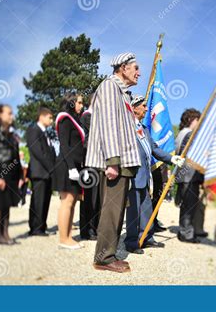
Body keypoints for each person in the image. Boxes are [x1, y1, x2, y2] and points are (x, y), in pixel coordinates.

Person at [85, 52, 142, 273]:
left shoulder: (122, 92)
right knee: (111, 209)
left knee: (117, 210)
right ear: (122, 68)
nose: (139, 72)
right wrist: (112, 161)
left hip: (123, 160)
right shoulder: (109, 86)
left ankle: (109, 253)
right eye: (135, 67)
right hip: (115, 161)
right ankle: (103, 258)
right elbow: (109, 125)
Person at [124, 95, 185, 254]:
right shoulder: (126, 127)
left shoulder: (143, 129)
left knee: (146, 209)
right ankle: (131, 242)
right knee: (133, 211)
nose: (146, 108)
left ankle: (146, 237)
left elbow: (155, 150)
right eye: (143, 106)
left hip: (144, 177)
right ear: (134, 107)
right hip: (132, 176)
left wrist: (172, 158)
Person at [0, 104, 24, 245]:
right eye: (9, 113)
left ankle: (6, 234)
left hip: (11, 173)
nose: (11, 116)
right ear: (0, 114)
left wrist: (20, 174)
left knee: (7, 205)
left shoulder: (11, 132)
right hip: (0, 171)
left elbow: (16, 156)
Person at [54, 93, 85, 249]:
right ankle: (63, 239)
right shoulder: (65, 119)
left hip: (75, 165)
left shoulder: (76, 120)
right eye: (79, 102)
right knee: (67, 202)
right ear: (71, 103)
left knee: (72, 202)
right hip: (67, 165)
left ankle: (68, 236)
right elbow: (64, 145)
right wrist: (72, 167)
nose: (82, 105)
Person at [175, 108, 204, 243]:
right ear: (191, 120)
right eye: (198, 119)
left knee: (187, 205)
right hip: (189, 175)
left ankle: (185, 232)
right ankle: (186, 234)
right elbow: (191, 156)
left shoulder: (182, 133)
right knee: (189, 206)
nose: (199, 123)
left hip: (185, 175)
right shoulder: (190, 134)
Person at [26, 107, 56, 237]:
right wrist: (51, 167)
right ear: (42, 116)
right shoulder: (33, 130)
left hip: (46, 172)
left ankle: (41, 225)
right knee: (38, 200)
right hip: (39, 171)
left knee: (45, 199)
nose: (51, 120)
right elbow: (38, 151)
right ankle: (35, 227)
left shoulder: (45, 132)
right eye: (49, 117)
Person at [79, 97, 100, 240]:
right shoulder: (87, 116)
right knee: (89, 197)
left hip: (97, 160)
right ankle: (88, 229)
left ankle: (95, 226)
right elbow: (96, 132)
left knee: (97, 196)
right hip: (88, 160)